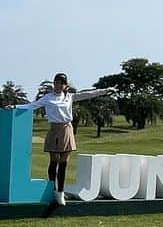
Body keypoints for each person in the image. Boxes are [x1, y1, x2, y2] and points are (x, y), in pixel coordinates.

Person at [8, 73, 115, 206]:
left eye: (61, 82)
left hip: (67, 129)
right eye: (56, 82)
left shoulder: (69, 96)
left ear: (65, 85)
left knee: (64, 162)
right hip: (54, 129)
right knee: (54, 161)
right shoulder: (48, 98)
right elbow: (32, 105)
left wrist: (105, 91)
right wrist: (15, 107)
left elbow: (88, 94)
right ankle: (52, 190)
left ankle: (60, 192)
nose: (58, 85)